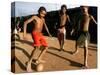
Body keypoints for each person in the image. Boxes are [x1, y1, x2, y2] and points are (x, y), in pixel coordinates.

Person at [23, 6, 51, 72]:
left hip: (40, 34)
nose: (43, 15)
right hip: (35, 33)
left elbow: (45, 26)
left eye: (44, 14)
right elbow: (25, 23)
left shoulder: (43, 19)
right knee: (37, 47)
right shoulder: (34, 17)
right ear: (39, 12)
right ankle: (29, 63)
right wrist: (24, 34)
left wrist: (49, 33)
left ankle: (38, 59)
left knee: (46, 47)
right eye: (42, 13)